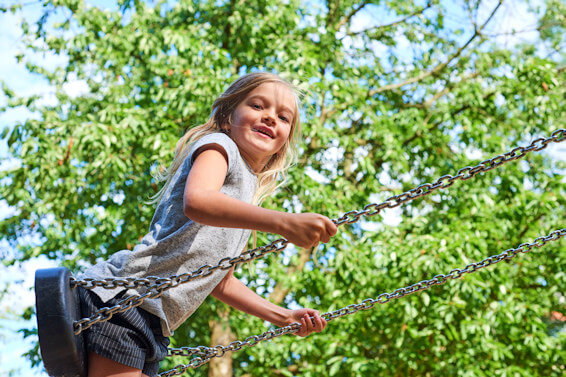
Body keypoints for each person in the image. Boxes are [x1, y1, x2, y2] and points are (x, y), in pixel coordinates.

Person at [77, 72, 338, 377]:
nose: (269, 117)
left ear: (283, 143)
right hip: (125, 300)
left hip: (152, 320)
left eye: (283, 117)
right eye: (257, 106)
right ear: (227, 117)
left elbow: (220, 280)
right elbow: (198, 201)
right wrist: (284, 223)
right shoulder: (218, 146)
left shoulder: (243, 201)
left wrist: (282, 316)